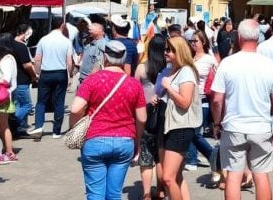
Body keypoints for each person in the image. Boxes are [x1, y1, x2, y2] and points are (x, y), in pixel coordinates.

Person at [209, 19, 273, 200]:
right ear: (257, 37)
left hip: (234, 126)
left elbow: (217, 100)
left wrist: (217, 123)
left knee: (234, 176)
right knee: (261, 174)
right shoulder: (268, 65)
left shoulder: (227, 64)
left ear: (239, 37)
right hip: (260, 127)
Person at [71, 40, 147, 200]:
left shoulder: (91, 80)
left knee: (95, 194)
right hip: (124, 140)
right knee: (114, 194)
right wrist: (137, 143)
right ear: (124, 59)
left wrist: (74, 128)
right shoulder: (134, 84)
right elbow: (142, 117)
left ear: (104, 57)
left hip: (94, 139)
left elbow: (75, 109)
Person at [157, 37, 201, 200]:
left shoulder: (186, 71)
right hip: (170, 125)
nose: (165, 52)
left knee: (168, 178)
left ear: (179, 51)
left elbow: (185, 102)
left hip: (180, 127)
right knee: (176, 176)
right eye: (165, 49)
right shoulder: (172, 70)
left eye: (169, 49)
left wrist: (168, 87)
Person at [31, 15, 74, 139]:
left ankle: (39, 126)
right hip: (61, 73)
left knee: (41, 102)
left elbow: (37, 59)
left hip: (46, 72)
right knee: (59, 102)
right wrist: (70, 74)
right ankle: (56, 131)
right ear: (62, 25)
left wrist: (37, 73)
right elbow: (69, 61)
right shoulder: (66, 41)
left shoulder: (43, 40)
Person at [135, 35, 167, 200]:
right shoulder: (169, 67)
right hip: (164, 115)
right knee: (160, 156)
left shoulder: (142, 68)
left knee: (146, 156)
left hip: (145, 114)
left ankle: (146, 194)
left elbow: (134, 90)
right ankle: (161, 190)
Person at [185, 30, 218, 178]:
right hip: (187, 98)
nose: (193, 43)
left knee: (195, 132)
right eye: (191, 41)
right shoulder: (188, 58)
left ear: (203, 42)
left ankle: (211, 155)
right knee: (191, 130)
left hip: (202, 99)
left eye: (195, 41)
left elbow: (218, 78)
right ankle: (192, 159)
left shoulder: (209, 60)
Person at [0, 33, 18, 162]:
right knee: (1, 126)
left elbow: (6, 79)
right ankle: (7, 151)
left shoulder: (7, 60)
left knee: (2, 126)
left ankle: (9, 152)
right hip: (0, 97)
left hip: (1, 97)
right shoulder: (6, 59)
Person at [7, 24, 37, 136]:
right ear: (22, 32)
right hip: (22, 80)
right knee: (27, 105)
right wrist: (34, 75)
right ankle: (13, 122)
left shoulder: (10, 45)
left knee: (18, 104)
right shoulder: (21, 46)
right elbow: (27, 65)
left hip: (13, 80)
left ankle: (19, 127)